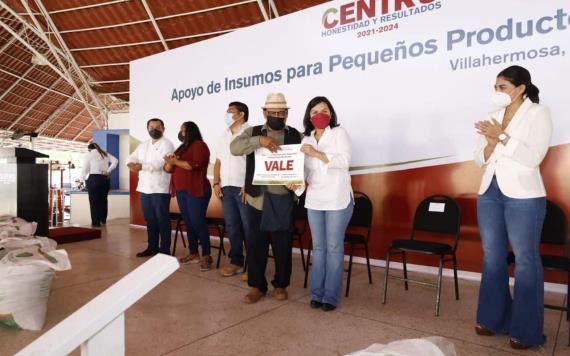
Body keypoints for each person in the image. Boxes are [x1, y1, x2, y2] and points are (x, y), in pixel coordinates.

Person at [473, 65, 552, 350]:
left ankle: (526, 331)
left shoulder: (538, 113)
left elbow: (533, 157)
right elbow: (478, 159)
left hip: (524, 195)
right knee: (492, 256)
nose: (497, 92)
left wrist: (503, 137)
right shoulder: (493, 117)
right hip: (489, 192)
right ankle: (492, 319)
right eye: (495, 87)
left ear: (520, 88)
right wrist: (492, 143)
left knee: (525, 260)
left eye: (502, 87)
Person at [230, 93, 302, 304]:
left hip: (282, 200)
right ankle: (256, 286)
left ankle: (280, 285)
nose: (277, 116)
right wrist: (259, 141)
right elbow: (234, 149)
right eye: (273, 113)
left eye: (281, 113)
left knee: (282, 245)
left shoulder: (296, 135)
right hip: (257, 199)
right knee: (255, 245)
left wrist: (297, 183)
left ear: (287, 114)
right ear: (265, 113)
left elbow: (302, 165)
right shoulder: (252, 132)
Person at [298, 96, 353, 312]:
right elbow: (304, 172)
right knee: (318, 248)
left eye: (324, 110)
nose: (319, 114)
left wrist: (318, 154)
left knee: (333, 247)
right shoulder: (306, 139)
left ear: (330, 113)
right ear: (309, 116)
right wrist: (294, 181)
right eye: (314, 111)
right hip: (314, 199)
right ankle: (316, 293)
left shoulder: (339, 133)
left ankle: (330, 296)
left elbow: (345, 161)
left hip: (337, 199)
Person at [164, 121, 213, 271]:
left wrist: (175, 161)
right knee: (189, 222)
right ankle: (193, 253)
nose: (181, 133)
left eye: (183, 130)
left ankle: (206, 255)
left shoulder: (199, 145)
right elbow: (167, 169)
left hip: (196, 189)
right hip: (181, 191)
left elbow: (194, 165)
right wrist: (170, 162)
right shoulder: (181, 148)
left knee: (198, 222)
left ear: (191, 131)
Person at [127, 118, 174, 257]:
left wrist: (141, 166)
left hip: (160, 188)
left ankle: (165, 250)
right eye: (151, 127)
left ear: (163, 129)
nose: (154, 129)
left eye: (158, 127)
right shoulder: (143, 145)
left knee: (162, 219)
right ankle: (152, 247)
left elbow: (160, 164)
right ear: (147, 129)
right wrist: (131, 165)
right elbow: (131, 158)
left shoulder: (167, 144)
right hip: (144, 188)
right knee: (149, 219)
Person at [214, 102, 250, 277]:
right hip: (226, 188)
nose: (227, 115)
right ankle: (236, 261)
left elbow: (255, 161)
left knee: (249, 227)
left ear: (241, 114)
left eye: (230, 112)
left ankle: (253, 265)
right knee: (232, 226)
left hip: (243, 188)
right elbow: (218, 161)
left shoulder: (250, 132)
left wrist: (248, 184)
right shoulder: (224, 135)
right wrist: (215, 182)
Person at [81, 142, 118, 227]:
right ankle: (103, 220)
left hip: (93, 179)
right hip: (104, 179)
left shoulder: (89, 155)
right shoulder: (104, 153)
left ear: (89, 149)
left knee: (94, 202)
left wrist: (83, 179)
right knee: (103, 200)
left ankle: (96, 223)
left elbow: (84, 170)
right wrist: (108, 170)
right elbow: (115, 161)